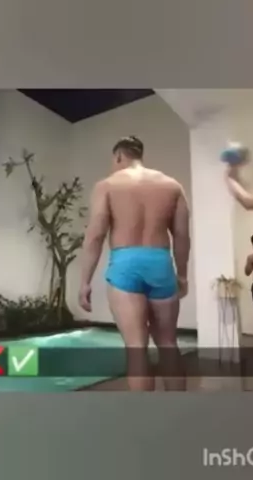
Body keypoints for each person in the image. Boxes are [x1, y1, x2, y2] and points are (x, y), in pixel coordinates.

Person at [78, 135, 190, 391]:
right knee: (168, 343)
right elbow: (182, 236)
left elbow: (95, 235)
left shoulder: (107, 185)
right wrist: (182, 275)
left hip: (125, 265)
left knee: (136, 347)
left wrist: (85, 282)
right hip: (161, 263)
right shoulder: (172, 185)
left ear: (119, 155)